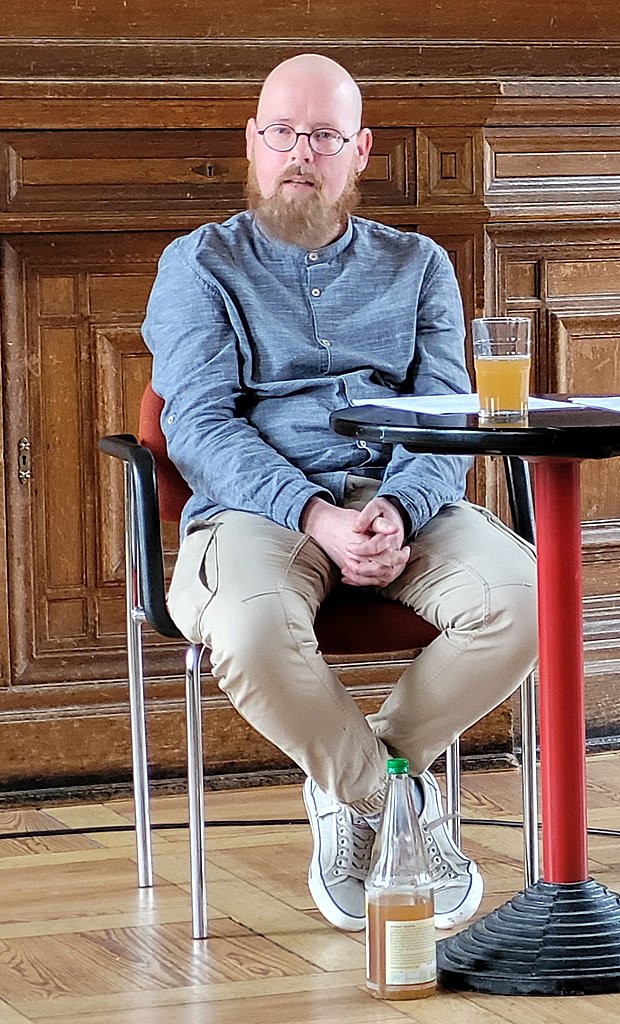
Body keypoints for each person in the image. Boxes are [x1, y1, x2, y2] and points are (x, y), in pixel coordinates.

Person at [141, 53, 538, 932]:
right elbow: (199, 426)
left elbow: (447, 413)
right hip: (257, 508)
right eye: (282, 131)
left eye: (323, 135)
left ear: (359, 151)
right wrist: (314, 514)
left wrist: (400, 506)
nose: (300, 152)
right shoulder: (198, 265)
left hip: (400, 498)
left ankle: (349, 781)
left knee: (528, 598)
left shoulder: (420, 264)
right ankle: (395, 806)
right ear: (253, 142)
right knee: (248, 629)